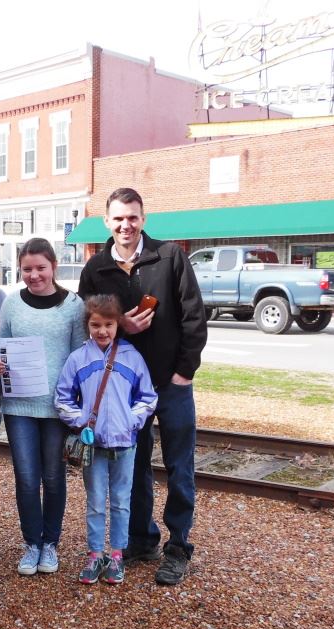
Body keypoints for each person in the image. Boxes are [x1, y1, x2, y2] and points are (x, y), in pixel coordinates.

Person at [78, 187, 207, 586]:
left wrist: (184, 373)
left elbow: (194, 318)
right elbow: (91, 329)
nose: (125, 225)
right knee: (132, 468)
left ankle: (178, 546)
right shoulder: (96, 269)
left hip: (170, 384)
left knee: (178, 466)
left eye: (132, 217)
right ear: (106, 221)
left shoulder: (169, 257)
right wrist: (123, 332)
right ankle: (142, 538)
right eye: (118, 218)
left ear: (143, 218)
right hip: (124, 391)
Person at [54, 294, 157, 585]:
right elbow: (62, 398)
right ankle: (94, 553)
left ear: (117, 325)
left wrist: (131, 421)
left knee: (122, 501)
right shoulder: (78, 358)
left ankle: (116, 555)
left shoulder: (132, 356)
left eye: (109, 324)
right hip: (93, 445)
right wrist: (79, 422)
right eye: (96, 324)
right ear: (87, 324)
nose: (102, 331)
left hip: (125, 443)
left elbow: (147, 398)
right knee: (96, 501)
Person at [0, 238, 86, 576]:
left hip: (57, 407)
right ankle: (31, 542)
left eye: (40, 268)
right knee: (25, 477)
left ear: (54, 267)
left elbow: (80, 356)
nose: (34, 275)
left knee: (53, 477)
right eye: (27, 269)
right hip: (19, 404)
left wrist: (77, 406)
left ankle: (51, 542)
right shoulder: (12, 304)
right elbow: (1, 347)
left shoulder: (73, 306)